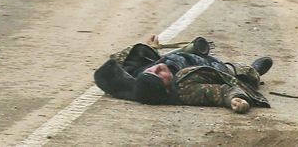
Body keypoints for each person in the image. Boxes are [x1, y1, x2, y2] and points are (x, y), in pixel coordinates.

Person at [94, 36, 272, 114]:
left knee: (154, 57)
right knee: (239, 73)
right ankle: (254, 70)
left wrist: (152, 49)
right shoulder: (187, 90)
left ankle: (192, 48)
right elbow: (222, 91)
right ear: (166, 88)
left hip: (181, 57)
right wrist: (235, 99)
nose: (157, 68)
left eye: (152, 69)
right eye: (158, 74)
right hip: (210, 68)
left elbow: (117, 65)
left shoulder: (139, 77)